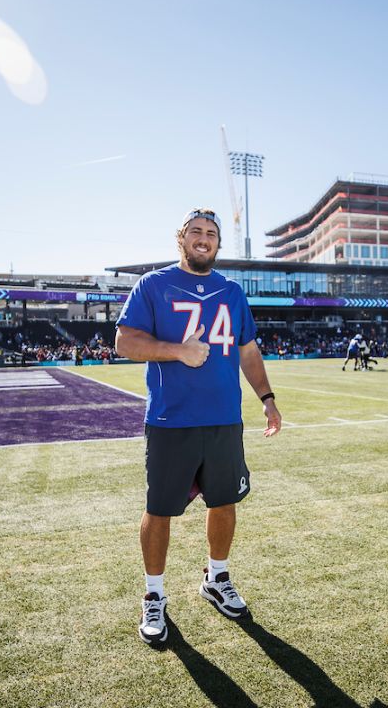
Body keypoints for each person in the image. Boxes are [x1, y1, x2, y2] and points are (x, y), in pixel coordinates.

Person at [114, 207, 282, 647]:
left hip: (225, 420)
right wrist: (177, 351)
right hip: (172, 420)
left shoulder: (232, 291)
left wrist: (267, 399)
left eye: (211, 233)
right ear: (181, 239)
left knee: (224, 503)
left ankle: (217, 577)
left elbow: (248, 351)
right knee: (160, 510)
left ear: (218, 244)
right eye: (195, 232)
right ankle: (154, 596)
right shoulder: (153, 285)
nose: (203, 238)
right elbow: (125, 342)